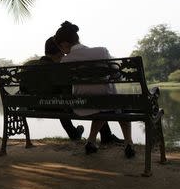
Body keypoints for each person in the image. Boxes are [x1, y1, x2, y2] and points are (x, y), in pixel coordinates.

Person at [54, 21, 135, 158]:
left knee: (100, 105)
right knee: (113, 102)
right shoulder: (101, 51)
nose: (62, 51)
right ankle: (128, 143)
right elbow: (116, 74)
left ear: (64, 44)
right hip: (107, 103)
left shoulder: (65, 61)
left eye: (61, 48)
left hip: (80, 106)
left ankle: (91, 142)